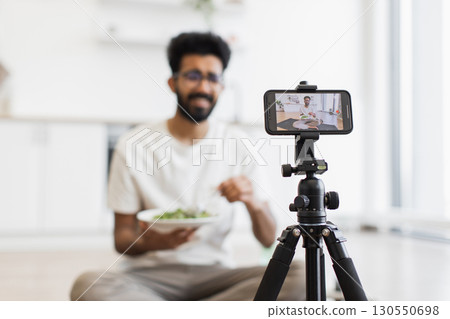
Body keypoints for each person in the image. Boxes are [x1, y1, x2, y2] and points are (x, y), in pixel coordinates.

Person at [70, 32, 305, 301]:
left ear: (222, 86)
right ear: (173, 82)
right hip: (149, 278)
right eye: (193, 76)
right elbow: (122, 237)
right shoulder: (133, 144)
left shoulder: (240, 143)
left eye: (212, 78)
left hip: (216, 276)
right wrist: (150, 242)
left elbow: (266, 238)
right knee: (88, 284)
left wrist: (253, 202)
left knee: (300, 275)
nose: (204, 87)